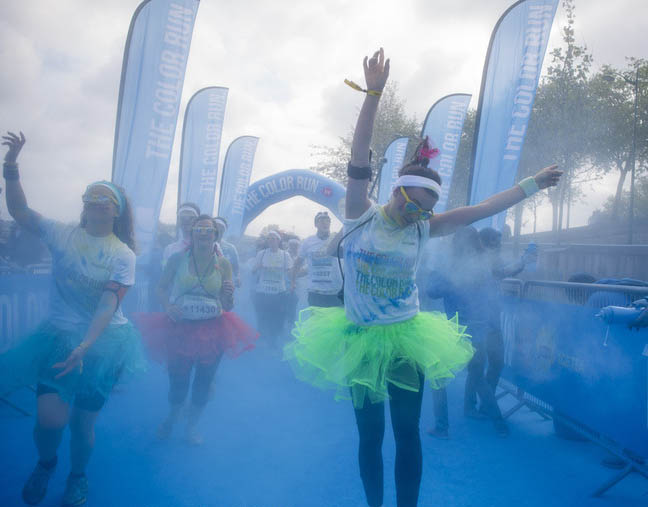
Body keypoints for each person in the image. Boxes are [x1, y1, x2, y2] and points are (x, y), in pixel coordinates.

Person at [284, 49, 562, 507]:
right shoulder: (358, 215)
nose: (414, 214)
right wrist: (373, 94)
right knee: (370, 438)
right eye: (409, 204)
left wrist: (531, 184)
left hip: (407, 341)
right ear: (395, 192)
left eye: (425, 210)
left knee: (408, 434)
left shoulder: (423, 228)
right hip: (359, 339)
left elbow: (483, 209)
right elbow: (358, 158)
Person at [0, 131, 144, 506]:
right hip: (57, 337)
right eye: (91, 197)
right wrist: (11, 167)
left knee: (83, 423)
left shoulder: (123, 253)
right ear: (83, 204)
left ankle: (76, 478)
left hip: (105, 345)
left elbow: (107, 305)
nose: (97, 203)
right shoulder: (62, 233)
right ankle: (46, 464)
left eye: (105, 199)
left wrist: (85, 346)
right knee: (50, 420)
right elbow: (18, 211)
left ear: (117, 209)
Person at [135, 215, 258, 445]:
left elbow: (227, 305)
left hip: (213, 330)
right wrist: (168, 306)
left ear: (215, 236)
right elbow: (160, 288)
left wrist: (229, 293)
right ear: (191, 235)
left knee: (203, 382)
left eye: (208, 231)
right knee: (178, 382)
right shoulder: (176, 259)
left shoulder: (223, 264)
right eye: (198, 230)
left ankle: (191, 427)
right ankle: (172, 418)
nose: (203, 234)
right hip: (180, 328)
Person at [291, 211, 343, 308]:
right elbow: (297, 263)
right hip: (315, 292)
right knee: (316, 322)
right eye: (321, 220)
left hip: (334, 292)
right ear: (315, 224)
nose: (325, 223)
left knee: (334, 323)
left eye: (327, 221)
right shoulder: (308, 242)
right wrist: (293, 281)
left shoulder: (336, 239)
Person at [252, 230, 293, 348]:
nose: (270, 241)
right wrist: (258, 267)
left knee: (277, 319)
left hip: (279, 293)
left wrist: (295, 277)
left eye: (273, 239)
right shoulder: (262, 253)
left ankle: (273, 342)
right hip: (262, 292)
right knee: (262, 317)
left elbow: (290, 272)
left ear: (278, 241)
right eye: (268, 239)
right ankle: (262, 343)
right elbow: (253, 271)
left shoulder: (285, 255)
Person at [162, 202, 201, 268]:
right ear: (178, 221)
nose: (186, 220)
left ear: (198, 220)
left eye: (191, 218)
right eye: (182, 218)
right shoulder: (169, 249)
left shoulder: (213, 246)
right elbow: (164, 271)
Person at [213, 216, 241, 287]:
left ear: (224, 230)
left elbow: (236, 266)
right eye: (216, 227)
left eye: (221, 228)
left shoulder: (231, 248)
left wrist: (237, 277)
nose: (218, 230)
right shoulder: (202, 244)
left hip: (224, 284)